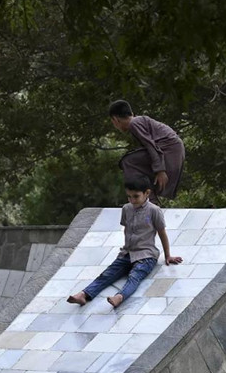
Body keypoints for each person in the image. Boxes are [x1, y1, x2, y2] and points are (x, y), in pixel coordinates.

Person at [67, 176, 183, 309]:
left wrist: (168, 255)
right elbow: (127, 229)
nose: (132, 200)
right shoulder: (127, 209)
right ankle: (84, 294)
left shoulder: (154, 211)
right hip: (127, 252)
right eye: (129, 196)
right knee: (107, 274)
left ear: (147, 193)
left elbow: (162, 233)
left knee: (135, 276)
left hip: (146, 255)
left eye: (136, 196)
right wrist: (125, 250)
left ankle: (119, 297)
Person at [109, 99, 185, 205]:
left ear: (116, 120)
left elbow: (151, 146)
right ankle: (148, 198)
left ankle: (148, 201)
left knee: (128, 161)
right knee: (138, 166)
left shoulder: (134, 123)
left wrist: (160, 170)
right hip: (174, 150)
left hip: (169, 150)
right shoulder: (138, 121)